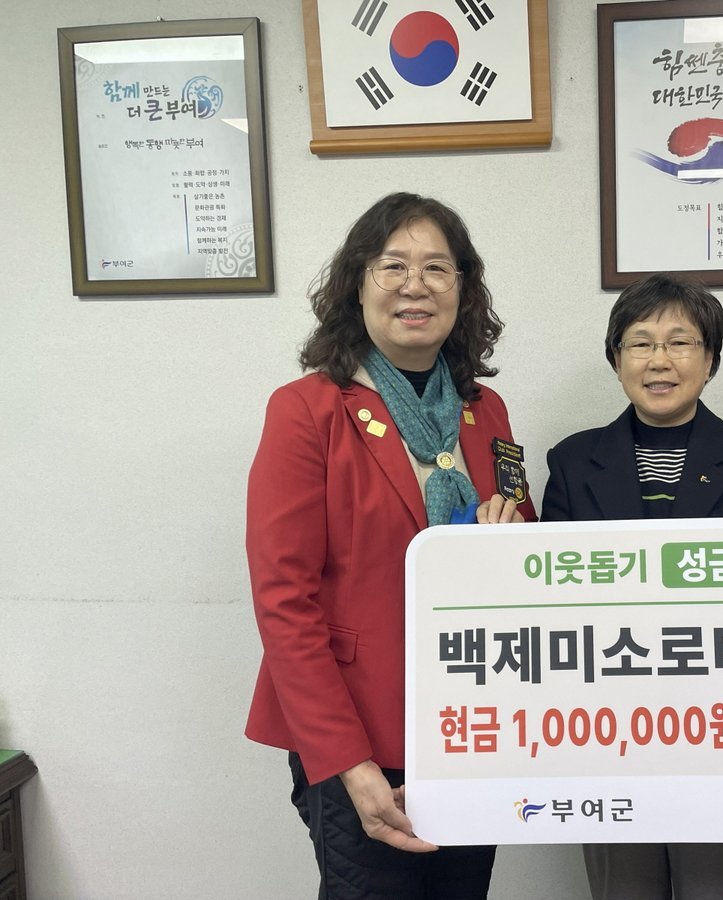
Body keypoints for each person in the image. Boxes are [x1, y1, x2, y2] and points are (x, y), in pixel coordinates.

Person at [244, 192, 535, 899]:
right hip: (360, 736)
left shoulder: (485, 410)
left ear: (462, 289)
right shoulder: (308, 410)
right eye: (393, 265)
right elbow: (284, 601)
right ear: (358, 283)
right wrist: (351, 764)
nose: (416, 284)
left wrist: (512, 539)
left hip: (469, 726)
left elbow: (525, 541)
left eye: (437, 267)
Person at [541, 272, 723, 900]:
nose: (660, 360)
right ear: (616, 360)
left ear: (710, 360)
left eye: (681, 342)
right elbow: (552, 602)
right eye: (640, 343)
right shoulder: (571, 462)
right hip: (606, 730)